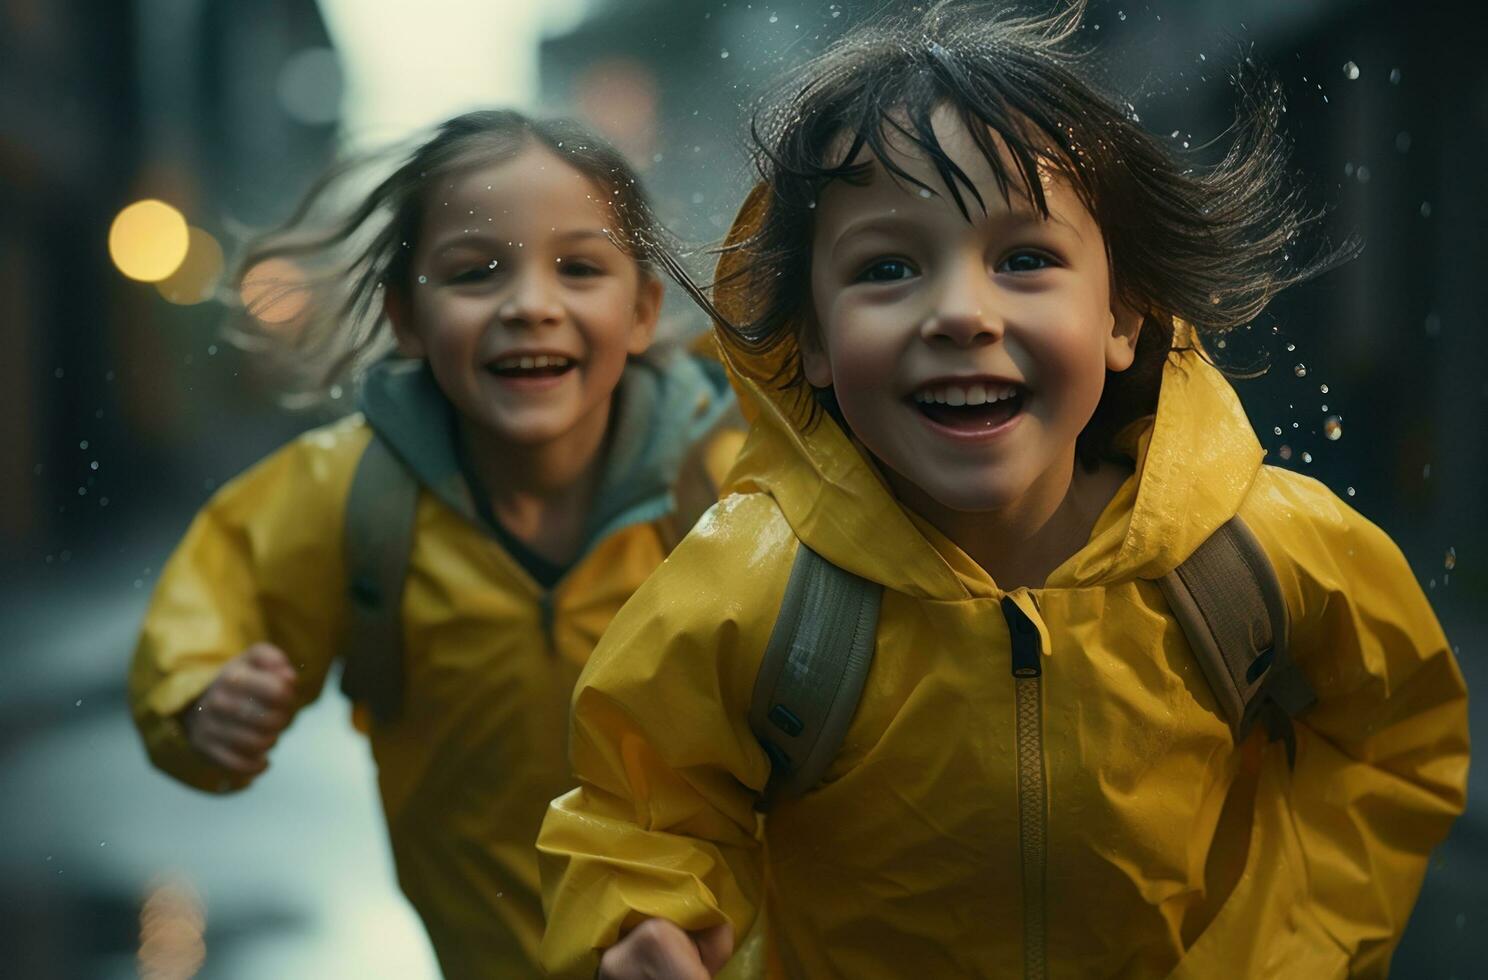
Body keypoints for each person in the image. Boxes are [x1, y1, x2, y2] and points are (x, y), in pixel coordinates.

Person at [536, 5, 1470, 978]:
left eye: (1024, 259)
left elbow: (1391, 741)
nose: (961, 314)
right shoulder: (751, 589)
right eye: (888, 268)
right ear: (808, 342)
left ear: (1123, 315)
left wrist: (1278, 955)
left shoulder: (1257, 556)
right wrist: (642, 920)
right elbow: (641, 813)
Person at [128, 109, 744, 979]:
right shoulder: (346, 494)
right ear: (407, 318)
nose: (530, 305)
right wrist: (197, 700)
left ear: (643, 309)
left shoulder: (730, 489)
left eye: (577, 267)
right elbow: (215, 599)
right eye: (474, 272)